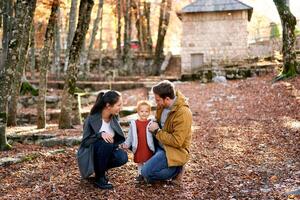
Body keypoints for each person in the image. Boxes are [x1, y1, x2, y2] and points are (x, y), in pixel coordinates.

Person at [142, 80, 193, 184]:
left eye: (158, 100)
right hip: (160, 144)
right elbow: (159, 120)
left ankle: (177, 169)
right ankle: (167, 163)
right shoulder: (163, 105)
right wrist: (153, 123)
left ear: (167, 99)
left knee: (147, 174)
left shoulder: (183, 113)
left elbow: (177, 141)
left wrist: (156, 131)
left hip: (172, 149)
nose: (156, 103)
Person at [77, 90, 128, 190]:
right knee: (106, 143)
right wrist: (100, 135)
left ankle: (99, 168)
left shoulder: (115, 117)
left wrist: (122, 144)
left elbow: (116, 136)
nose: (120, 108)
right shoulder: (91, 119)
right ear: (108, 105)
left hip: (108, 150)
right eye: (118, 105)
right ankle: (99, 178)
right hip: (92, 153)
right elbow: (85, 142)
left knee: (122, 157)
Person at [122, 100, 155, 182]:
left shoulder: (151, 123)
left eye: (146, 111)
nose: (144, 113)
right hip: (139, 146)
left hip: (148, 146)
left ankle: (147, 175)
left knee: (148, 160)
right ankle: (140, 175)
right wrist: (127, 143)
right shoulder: (134, 123)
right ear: (138, 112)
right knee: (140, 161)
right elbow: (130, 135)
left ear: (150, 112)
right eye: (142, 111)